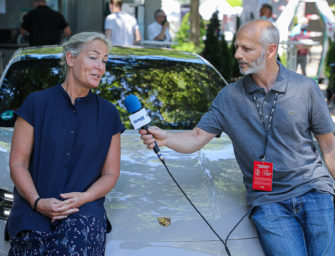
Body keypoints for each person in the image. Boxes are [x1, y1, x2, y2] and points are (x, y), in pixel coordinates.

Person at [140, 20, 335, 256]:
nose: (237, 54)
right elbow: (197, 137)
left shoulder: (305, 88)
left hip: (314, 189)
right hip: (268, 200)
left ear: (271, 50)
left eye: (246, 48)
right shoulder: (229, 97)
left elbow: (328, 147)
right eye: (236, 47)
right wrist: (167, 138)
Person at [6, 32, 125, 255]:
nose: (101, 67)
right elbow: (18, 164)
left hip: (83, 212)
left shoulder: (109, 114)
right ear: (71, 59)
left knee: (76, 243)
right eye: (93, 57)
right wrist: (37, 201)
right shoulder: (36, 103)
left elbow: (110, 173)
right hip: (33, 212)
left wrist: (86, 197)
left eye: (105, 61)